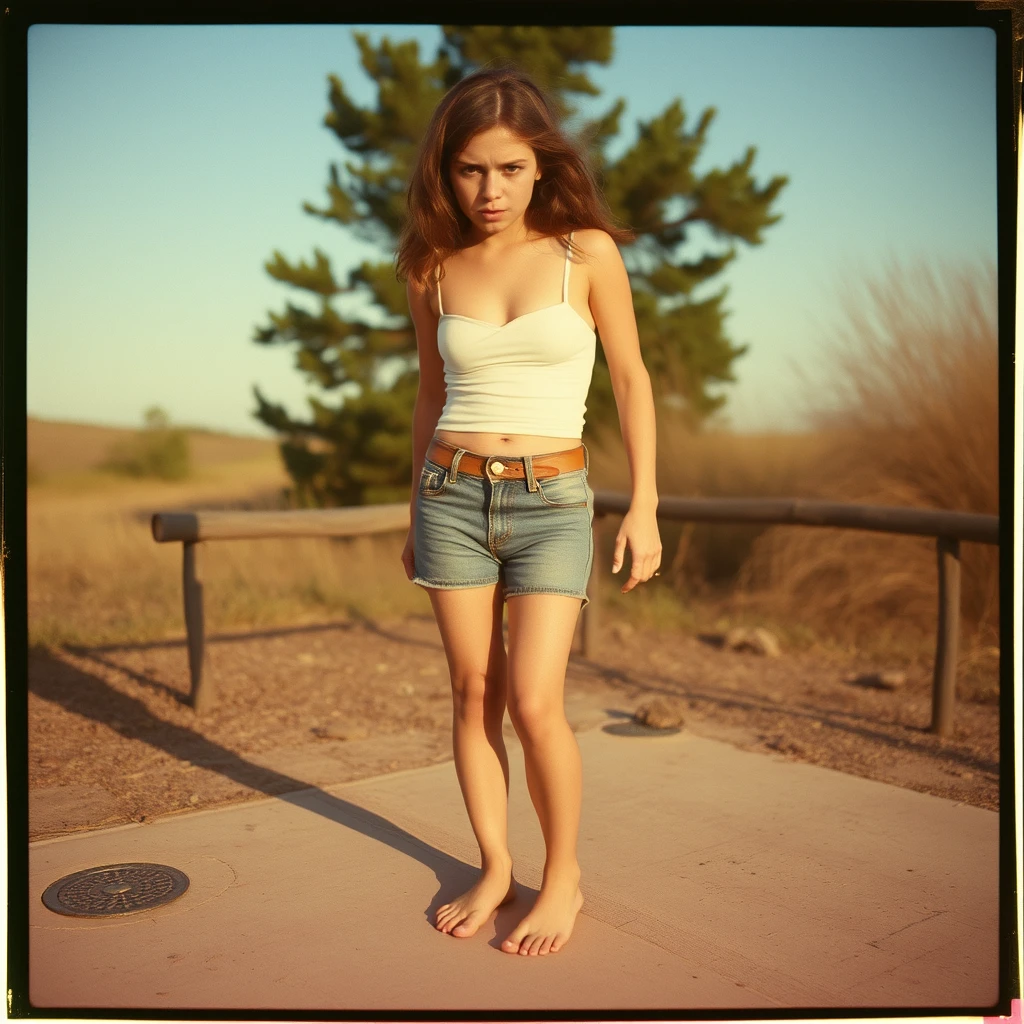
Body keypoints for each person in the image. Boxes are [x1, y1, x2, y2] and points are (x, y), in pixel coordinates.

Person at [396, 64, 662, 957]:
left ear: (540, 165)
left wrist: (646, 506)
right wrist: (412, 513)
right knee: (475, 691)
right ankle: (497, 866)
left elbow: (630, 375)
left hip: (553, 499)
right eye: (471, 169)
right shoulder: (433, 265)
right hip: (449, 495)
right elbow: (430, 395)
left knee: (539, 703)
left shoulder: (585, 252)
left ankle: (567, 876)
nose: (490, 190)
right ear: (447, 169)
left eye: (509, 168)